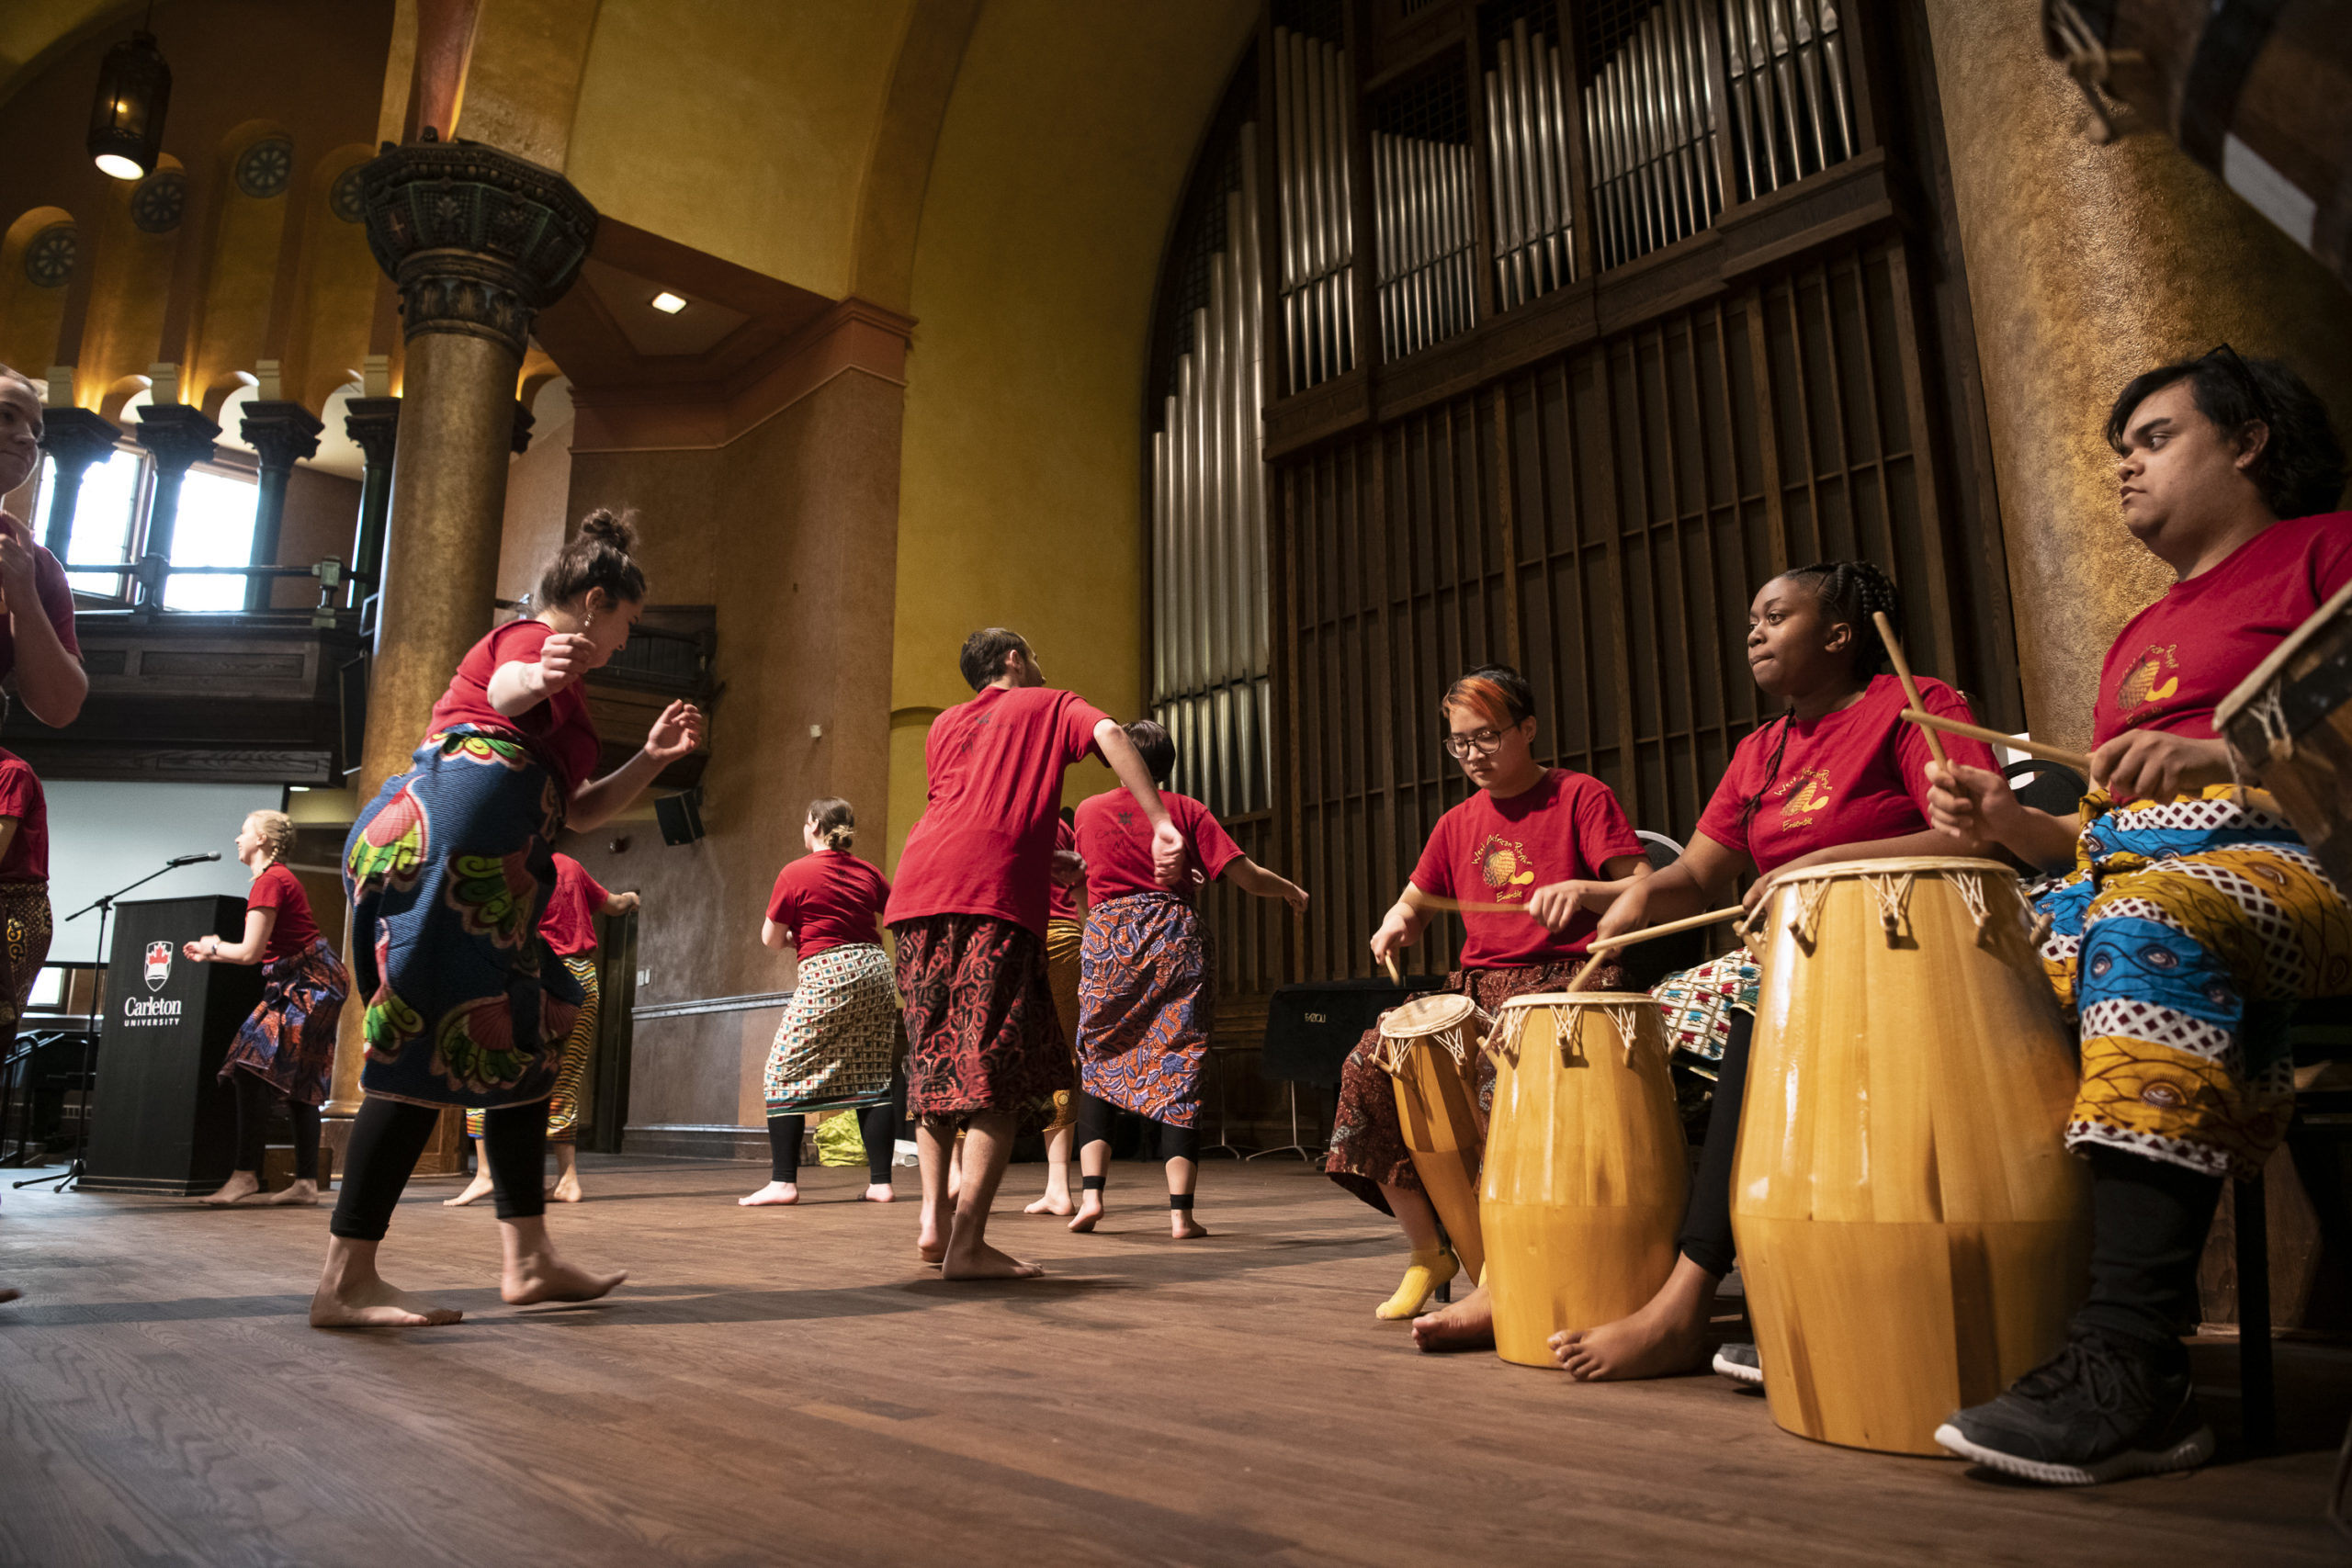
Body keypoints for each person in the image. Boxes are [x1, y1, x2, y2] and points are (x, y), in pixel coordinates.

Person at [1926, 350, 2350, 1484]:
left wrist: (2224, 753)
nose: (2124, 467)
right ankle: (1935, 1314)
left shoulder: (2329, 553)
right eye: (2120, 450)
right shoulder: (2137, 634)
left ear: (2248, 440)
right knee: (1937, 968)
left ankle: (2134, 1364)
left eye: (2153, 438)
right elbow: (2102, 834)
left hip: (2304, 865)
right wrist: (2007, 832)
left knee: (2144, 925)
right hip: (2132, 878)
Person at [1542, 561, 1998, 1376]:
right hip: (1791, 954)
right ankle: (1585, 1274)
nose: (1753, 630)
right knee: (1625, 1037)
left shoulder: (1915, 701)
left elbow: (1976, 836)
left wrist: (1815, 867)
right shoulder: (1762, 750)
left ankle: (1688, 1297)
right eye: (1752, 617)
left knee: (1753, 1008)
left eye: (1776, 616)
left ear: (1838, 632)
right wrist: (1612, 890)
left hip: (1906, 948)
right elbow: (1696, 877)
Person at [323, 510, 702, 1328]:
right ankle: (345, 1279)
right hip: (448, 859)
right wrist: (546, 672)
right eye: (628, 624)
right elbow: (504, 693)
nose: (628, 643)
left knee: (533, 1036)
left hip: (494, 872)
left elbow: (581, 809)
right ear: (597, 601)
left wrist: (654, 759)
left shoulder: (573, 694)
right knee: (414, 1044)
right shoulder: (527, 640)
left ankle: (527, 1260)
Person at [1326, 665, 1651, 1325]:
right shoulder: (1456, 823)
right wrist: (1396, 921)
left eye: (1487, 737)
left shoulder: (1579, 796)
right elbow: (1414, 903)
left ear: (1527, 728)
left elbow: (1642, 885)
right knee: (1367, 1063)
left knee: (1492, 1072)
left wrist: (1587, 891)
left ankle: (1509, 1265)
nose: (1473, 754)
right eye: (1459, 742)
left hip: (1569, 982)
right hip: (1478, 989)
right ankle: (1428, 1251)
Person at [884, 627, 1184, 1280]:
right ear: (1014, 659)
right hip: (986, 901)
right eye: (1035, 655)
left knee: (936, 1062)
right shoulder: (1050, 703)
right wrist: (1161, 820)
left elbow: (961, 812)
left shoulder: (942, 727)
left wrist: (1044, 859)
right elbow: (1114, 736)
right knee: (1000, 1064)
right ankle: (967, 1245)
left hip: (916, 892)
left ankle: (933, 1224)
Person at [1066, 720, 1307, 1238]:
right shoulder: (1186, 810)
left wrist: (1099, 929)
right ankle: (1180, 1215)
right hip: (1175, 934)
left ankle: (1090, 1198)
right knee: (1181, 1056)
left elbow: (1082, 885)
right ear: (1168, 764)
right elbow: (1244, 874)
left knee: (1098, 1061)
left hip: (1108, 938)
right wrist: (1288, 888)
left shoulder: (1087, 812)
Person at [0, 365, 85, 1308]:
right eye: (6, 417)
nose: (24, 437)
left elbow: (58, 702)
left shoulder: (32, 561)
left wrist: (22, 587)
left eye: (36, 426)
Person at [447, 853, 639, 1207]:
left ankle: (486, 1174)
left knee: (483, 1071)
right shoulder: (569, 864)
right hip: (581, 979)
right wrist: (631, 899)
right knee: (564, 1079)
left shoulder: (503, 866)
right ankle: (567, 1179)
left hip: (531, 975)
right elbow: (613, 904)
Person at [741, 798, 903, 1208]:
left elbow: (771, 939)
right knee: (871, 1073)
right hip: (875, 970)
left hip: (828, 971)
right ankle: (881, 1183)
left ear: (813, 824)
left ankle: (783, 1182)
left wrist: (802, 935)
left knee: (781, 1070)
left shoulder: (795, 872)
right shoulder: (867, 871)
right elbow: (898, 913)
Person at [186, 810, 348, 1208]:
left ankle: (244, 1176)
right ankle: (305, 1184)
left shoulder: (270, 881)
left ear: (262, 839)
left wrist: (212, 947)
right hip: (308, 980)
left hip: (310, 984)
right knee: (299, 1080)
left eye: (244, 832)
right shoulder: (276, 879)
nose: (237, 839)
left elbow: (249, 952)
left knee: (248, 1064)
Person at [1023, 809, 1089, 1217]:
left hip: (1019, 932)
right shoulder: (1061, 821)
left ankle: (958, 1174)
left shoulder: (996, 806)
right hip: (1068, 936)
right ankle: (1059, 1186)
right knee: (1066, 1059)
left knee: (974, 1050)